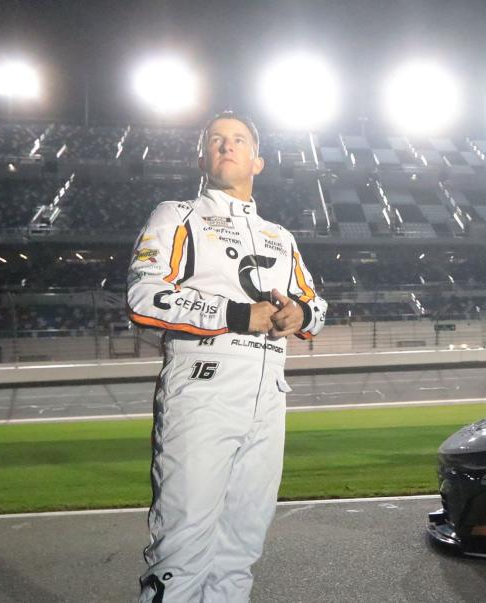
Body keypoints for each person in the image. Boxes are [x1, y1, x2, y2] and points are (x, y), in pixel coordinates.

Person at [127, 111, 327, 601]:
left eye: (238, 140)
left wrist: (298, 316)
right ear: (202, 157)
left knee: (239, 553)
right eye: (216, 140)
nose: (226, 146)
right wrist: (239, 316)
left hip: (268, 398)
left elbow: (316, 306)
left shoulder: (282, 235)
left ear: (257, 161)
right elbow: (143, 297)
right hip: (200, 389)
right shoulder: (176, 215)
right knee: (181, 550)